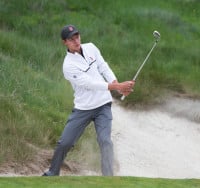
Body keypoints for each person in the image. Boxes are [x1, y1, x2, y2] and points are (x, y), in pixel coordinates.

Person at [42, 24, 135, 176]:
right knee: (65, 142)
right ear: (64, 42)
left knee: (105, 141)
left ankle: (108, 178)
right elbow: (90, 84)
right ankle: (52, 173)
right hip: (83, 108)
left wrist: (118, 86)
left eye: (77, 37)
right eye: (71, 39)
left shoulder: (91, 47)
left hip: (103, 105)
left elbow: (104, 67)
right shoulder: (68, 66)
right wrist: (117, 86)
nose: (76, 41)